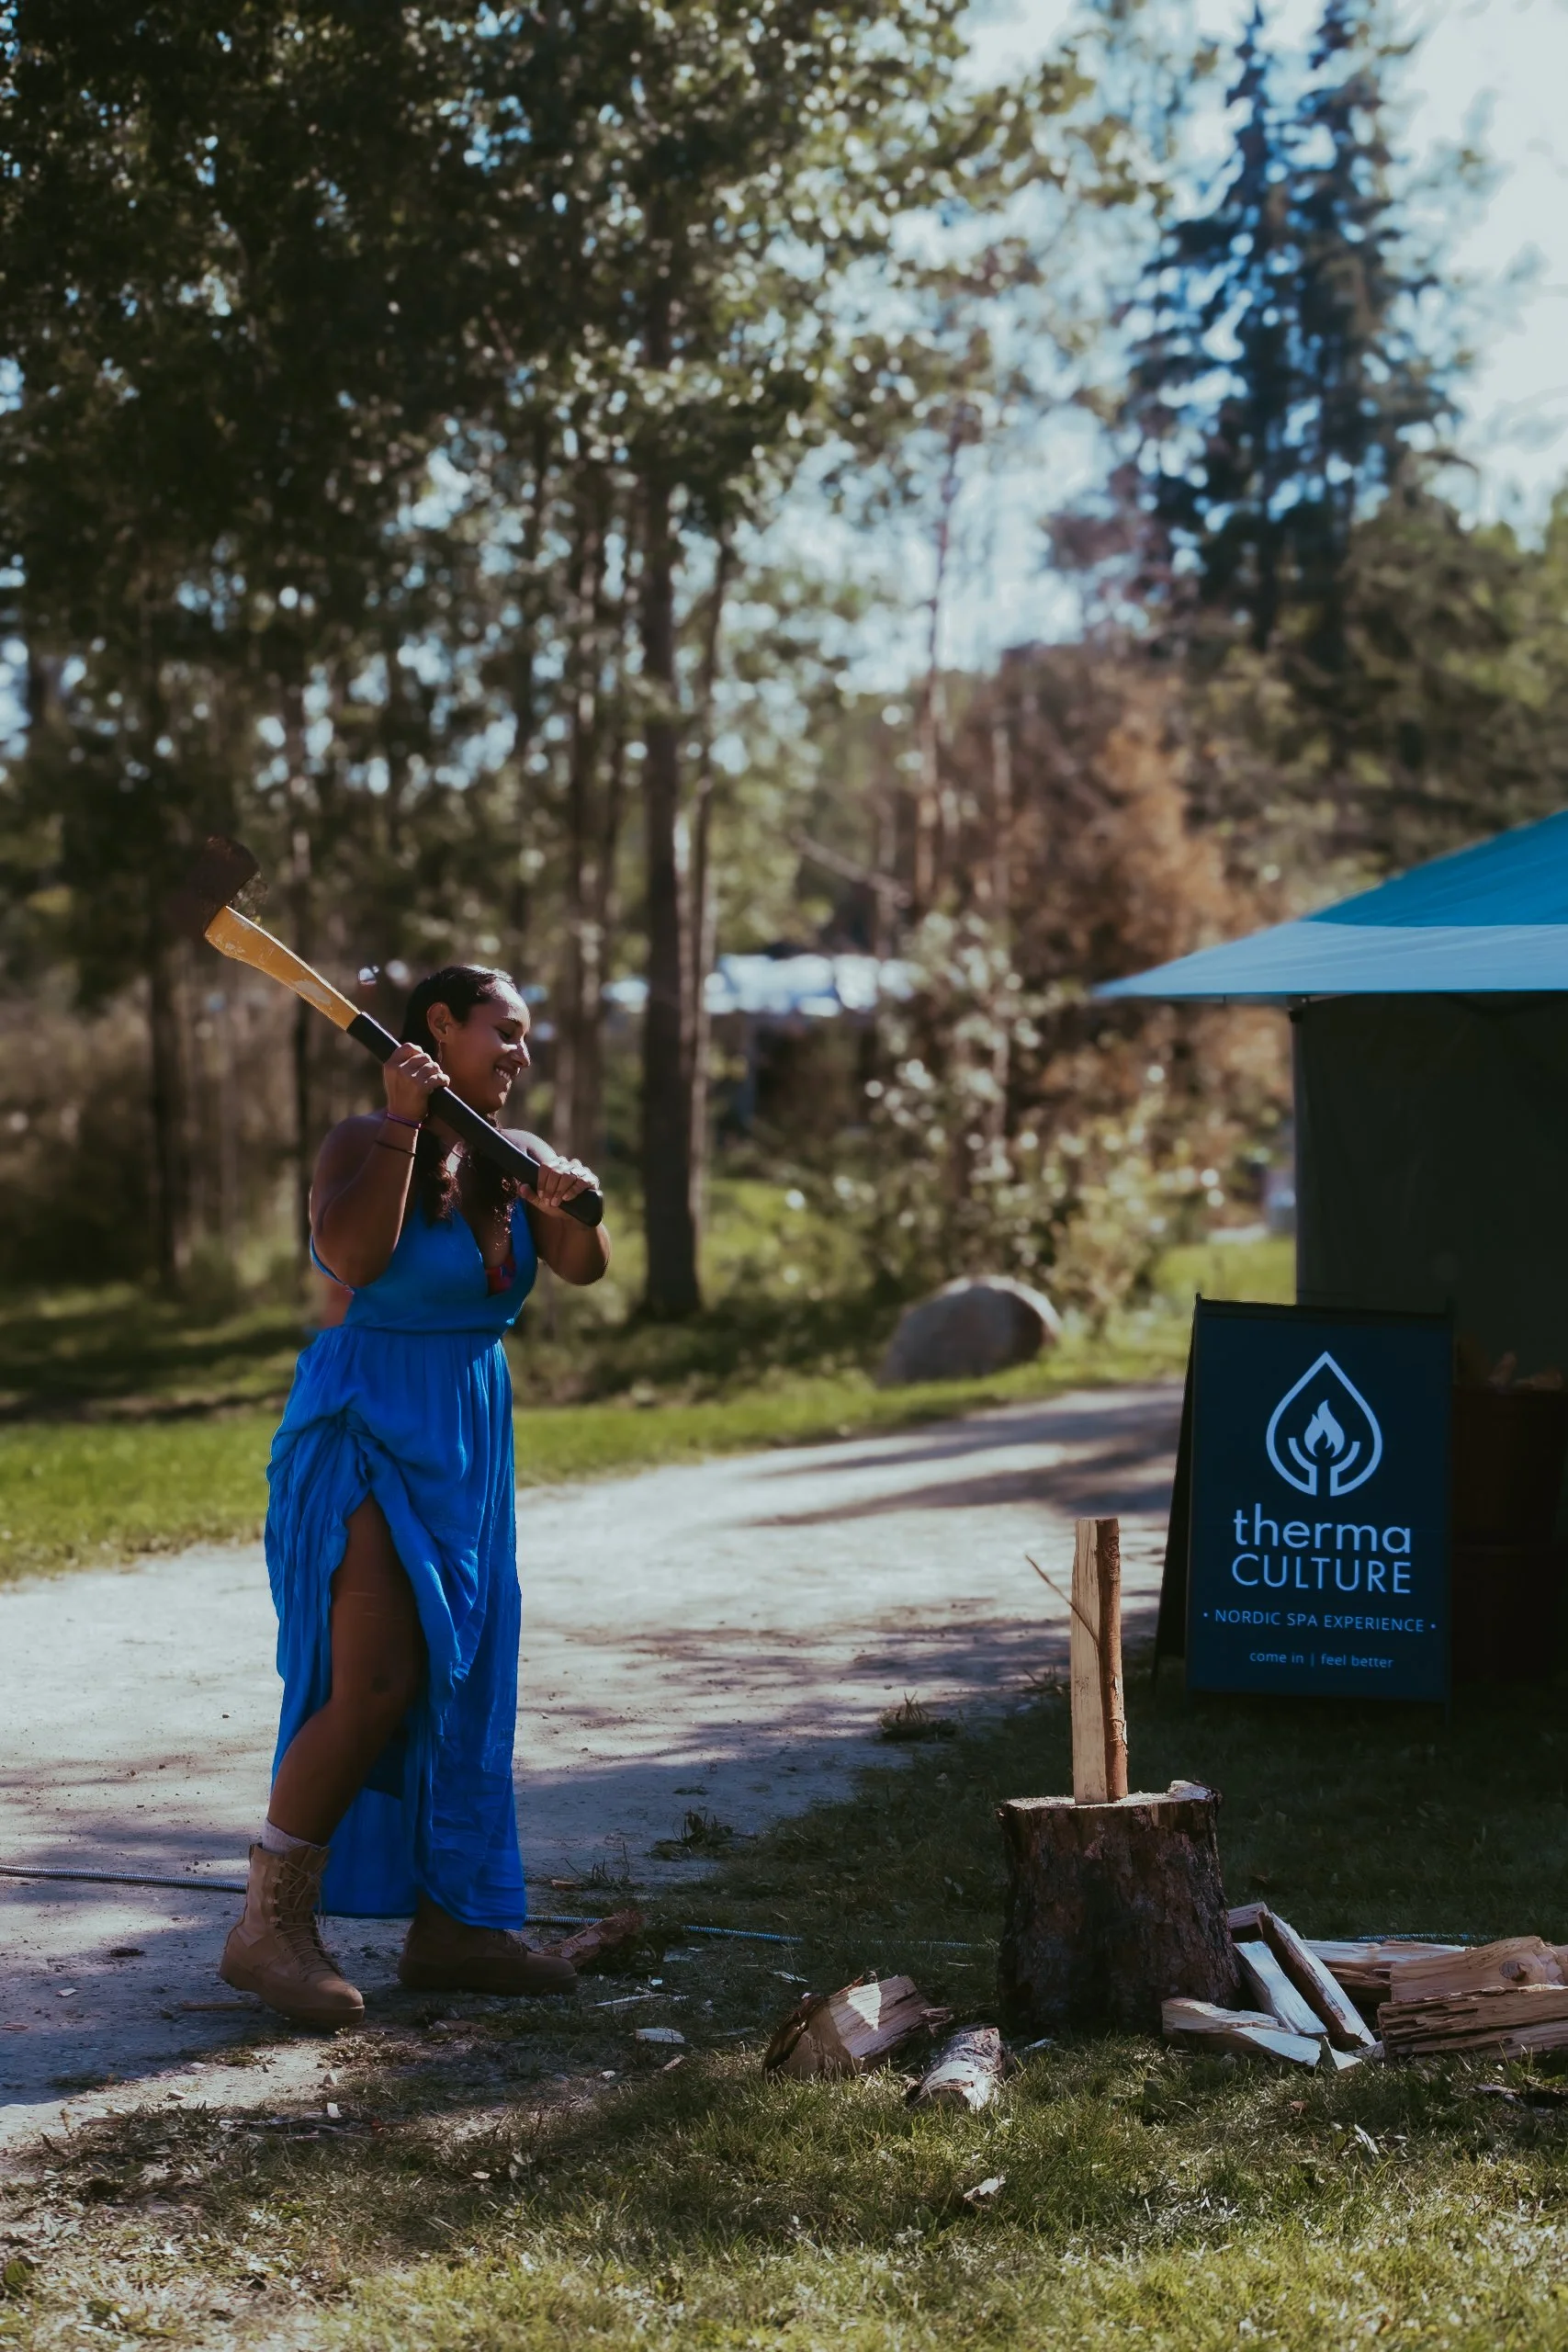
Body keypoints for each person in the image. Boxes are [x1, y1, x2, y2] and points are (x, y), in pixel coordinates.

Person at [220, 965, 609, 2026]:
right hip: (366, 1422)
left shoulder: (513, 1157)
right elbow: (352, 1255)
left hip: (469, 1428)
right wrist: (403, 1122)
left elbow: (580, 1266)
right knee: (380, 1676)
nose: (522, 1054)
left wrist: (565, 1204)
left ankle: (455, 1927)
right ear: (439, 1025)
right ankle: (268, 1926)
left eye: (527, 1038)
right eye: (505, 1032)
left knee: (464, 1681)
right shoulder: (360, 1138)